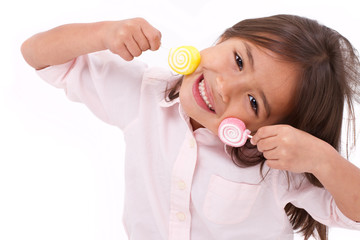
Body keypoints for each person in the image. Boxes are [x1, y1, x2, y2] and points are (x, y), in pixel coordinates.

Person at [21, 14, 360, 240]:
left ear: (272, 130)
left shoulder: (274, 162)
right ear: (225, 37)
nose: (225, 87)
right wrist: (103, 33)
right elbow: (38, 55)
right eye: (239, 60)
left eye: (254, 102)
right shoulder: (146, 96)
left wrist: (323, 160)